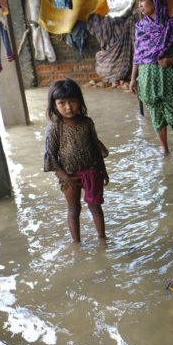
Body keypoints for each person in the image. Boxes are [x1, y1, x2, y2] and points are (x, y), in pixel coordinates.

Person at [43, 79, 109, 243]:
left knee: (95, 206)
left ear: (80, 101)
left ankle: (102, 238)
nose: (68, 107)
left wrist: (103, 170)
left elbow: (95, 148)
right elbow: (51, 155)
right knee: (74, 209)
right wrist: (65, 177)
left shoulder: (87, 122)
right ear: (54, 106)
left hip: (92, 171)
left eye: (72, 101)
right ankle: (77, 243)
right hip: (68, 174)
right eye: (62, 103)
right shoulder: (55, 127)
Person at [129, 0, 173, 155]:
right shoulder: (140, 27)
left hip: (170, 76)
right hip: (147, 78)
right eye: (138, 2)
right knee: (156, 114)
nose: (140, 5)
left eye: (142, 1)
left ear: (155, 0)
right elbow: (138, 55)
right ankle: (164, 150)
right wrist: (133, 79)